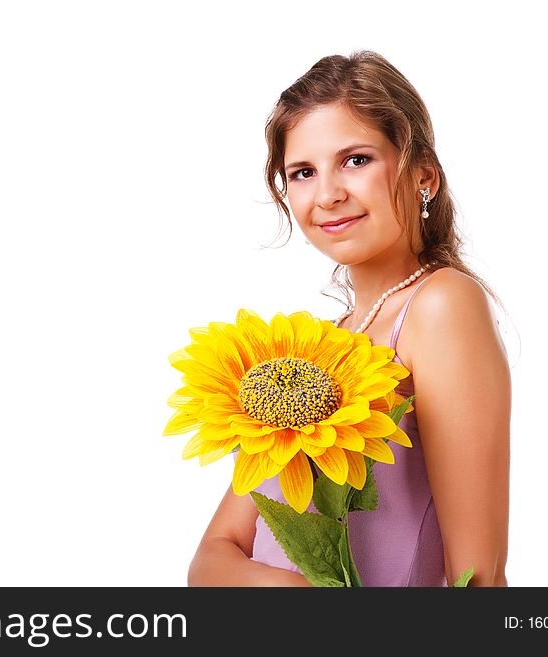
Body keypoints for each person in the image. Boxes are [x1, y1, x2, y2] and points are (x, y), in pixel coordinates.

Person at [187, 50, 511, 587]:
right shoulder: (313, 358)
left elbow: (477, 577)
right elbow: (210, 560)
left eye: (356, 160)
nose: (329, 194)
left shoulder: (440, 306)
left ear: (423, 175)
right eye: (303, 172)